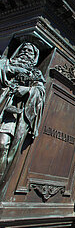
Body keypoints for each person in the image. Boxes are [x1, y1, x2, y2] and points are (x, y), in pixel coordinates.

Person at [0, 42, 45, 180]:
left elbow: (40, 91)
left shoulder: (35, 72)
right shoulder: (5, 63)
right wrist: (14, 70)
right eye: (23, 49)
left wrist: (27, 90)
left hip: (13, 114)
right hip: (2, 103)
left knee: (3, 144)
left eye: (30, 51)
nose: (25, 52)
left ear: (34, 56)